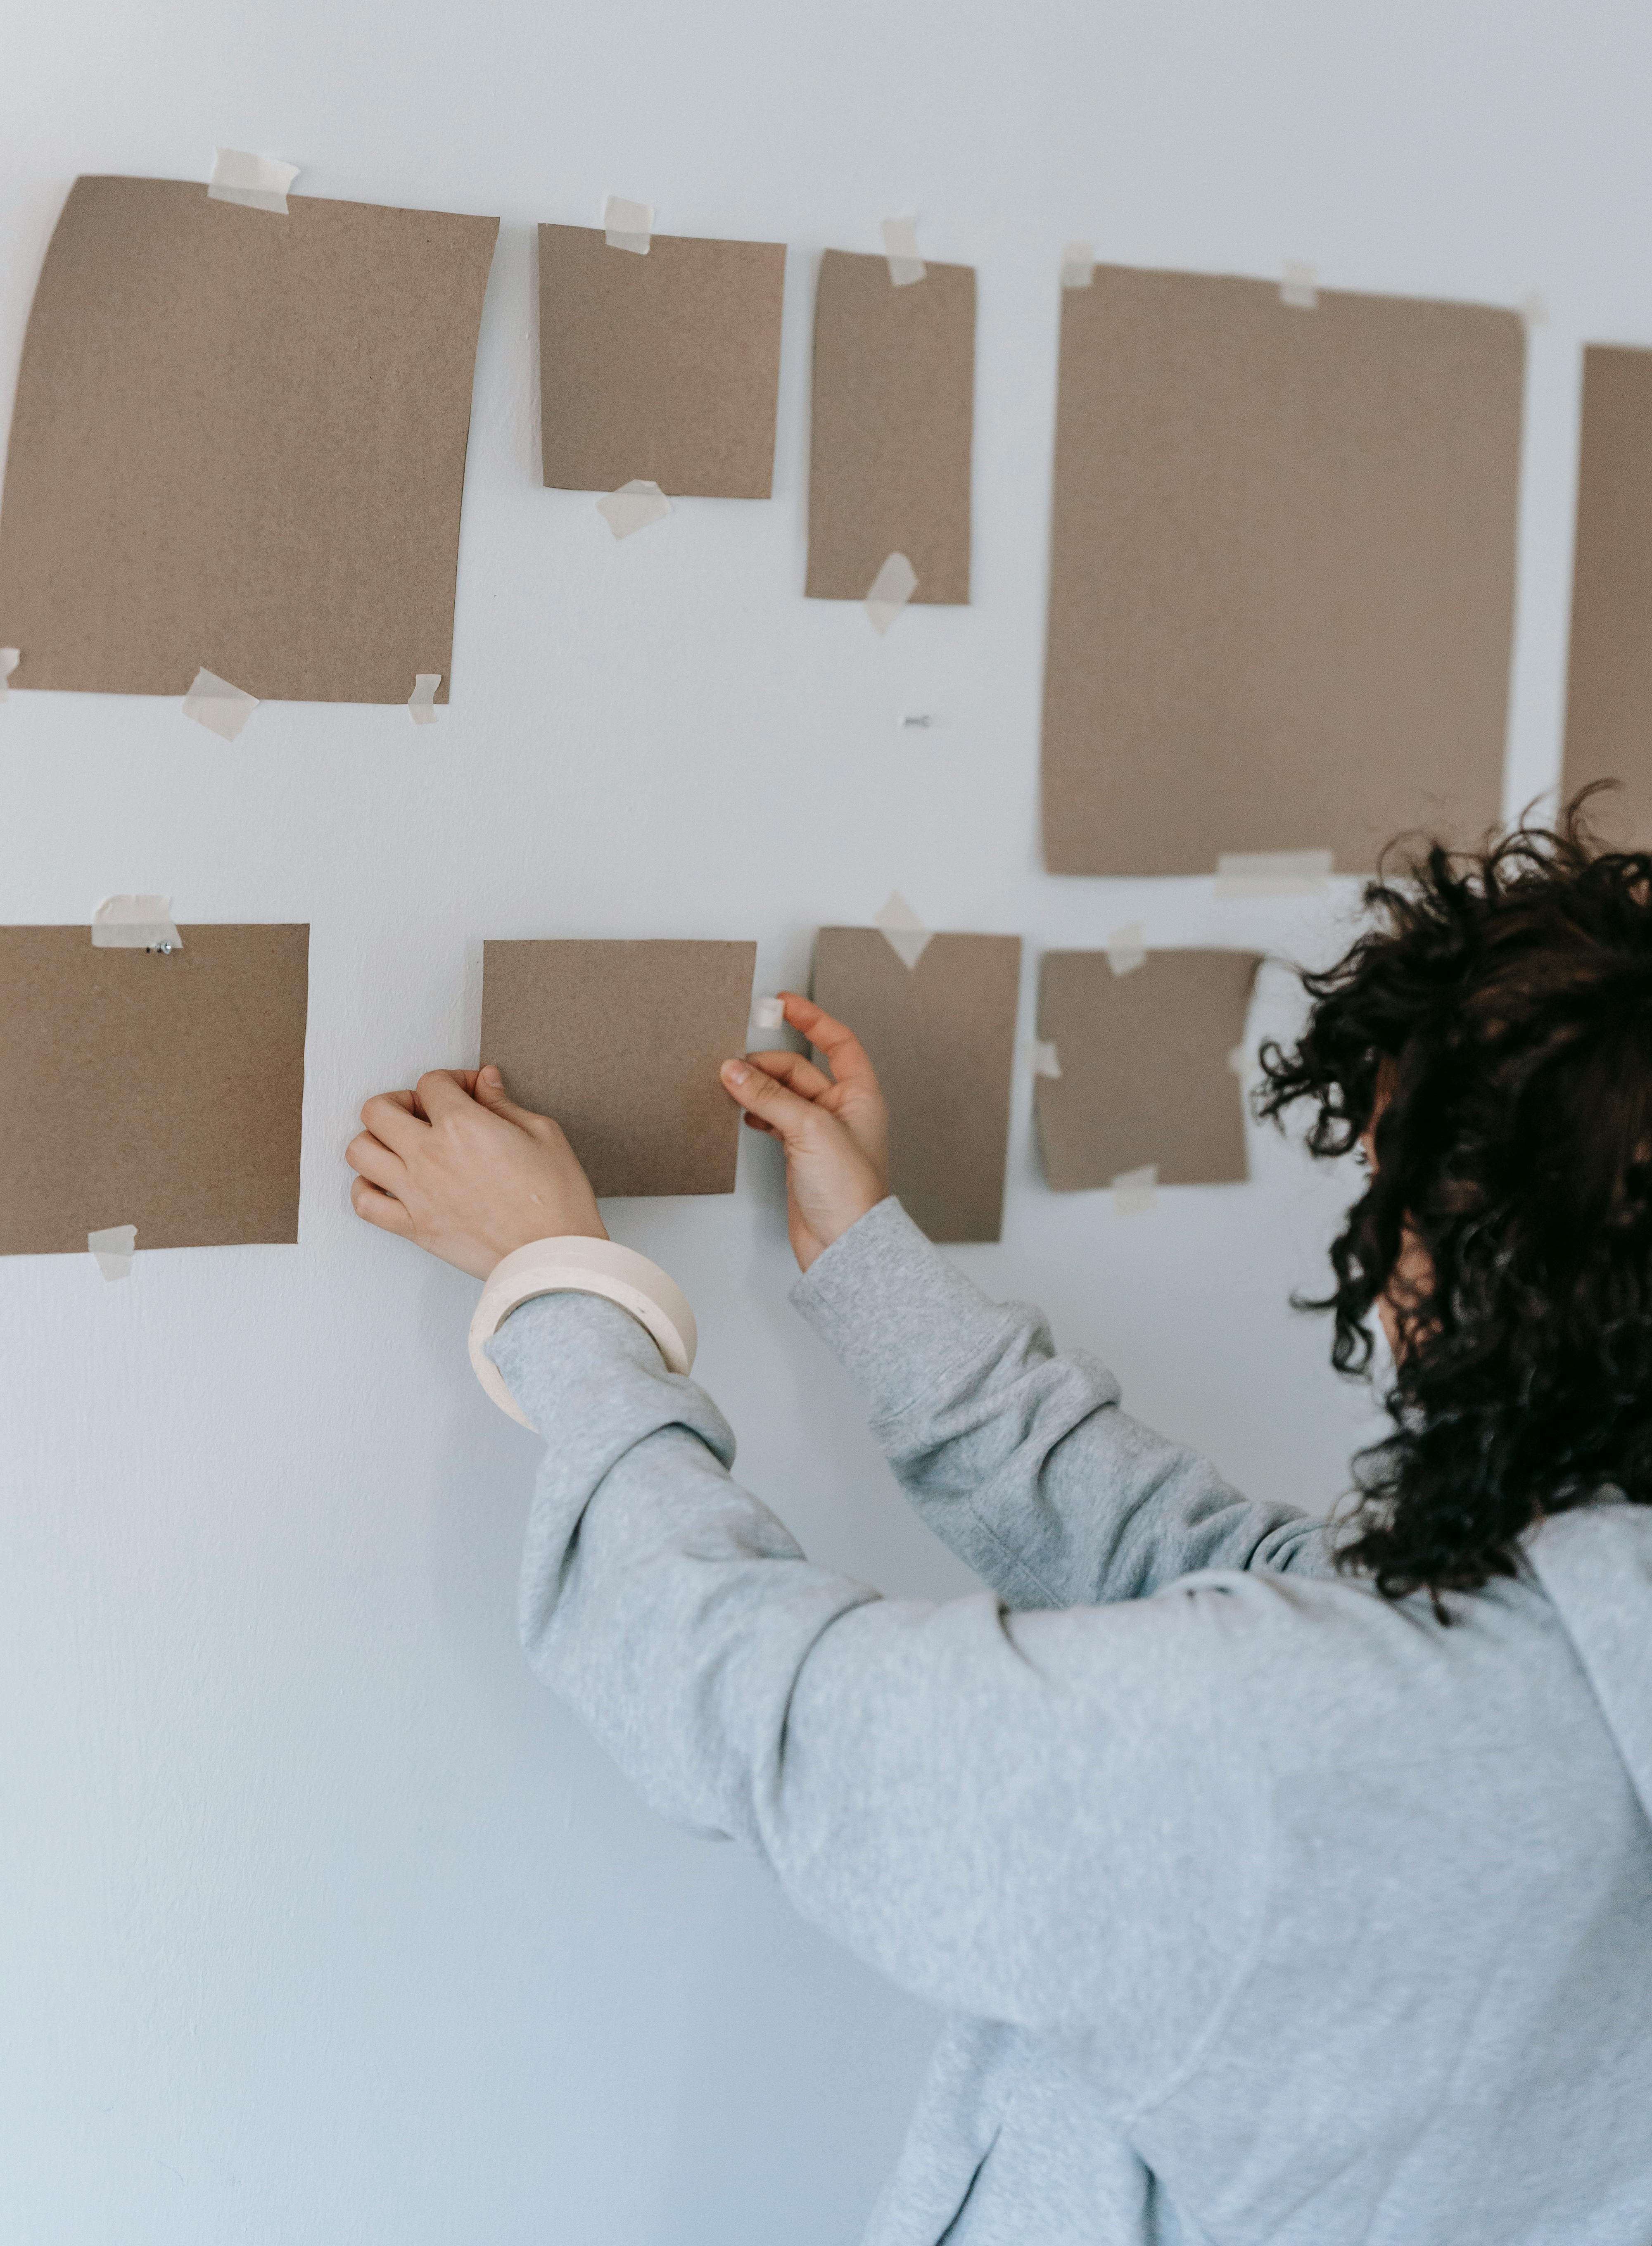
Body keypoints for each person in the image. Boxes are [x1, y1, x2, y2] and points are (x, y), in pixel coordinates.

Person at [345, 810, 1652, 2246]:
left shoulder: (1318, 1756)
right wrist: (872, 1269)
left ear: (1472, 1256)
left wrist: (565, 1297)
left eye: (1387, 1192)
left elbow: (762, 1704)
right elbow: (1216, 1563)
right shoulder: (1579, 1614)